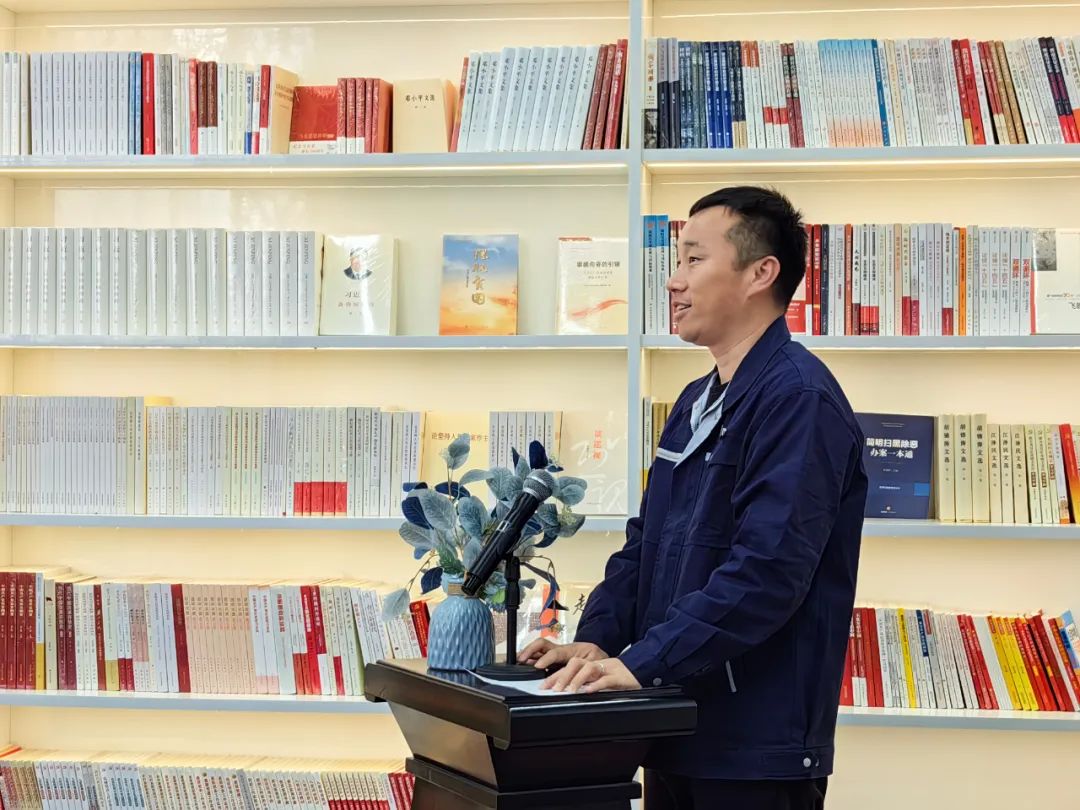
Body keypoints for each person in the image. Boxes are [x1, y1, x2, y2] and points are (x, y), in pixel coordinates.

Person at [519, 186, 868, 810]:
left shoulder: (799, 400)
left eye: (694, 260)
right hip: (672, 722)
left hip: (752, 748)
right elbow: (644, 546)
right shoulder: (693, 402)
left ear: (761, 273)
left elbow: (767, 573)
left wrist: (643, 663)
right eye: (676, 262)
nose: (674, 280)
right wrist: (600, 640)